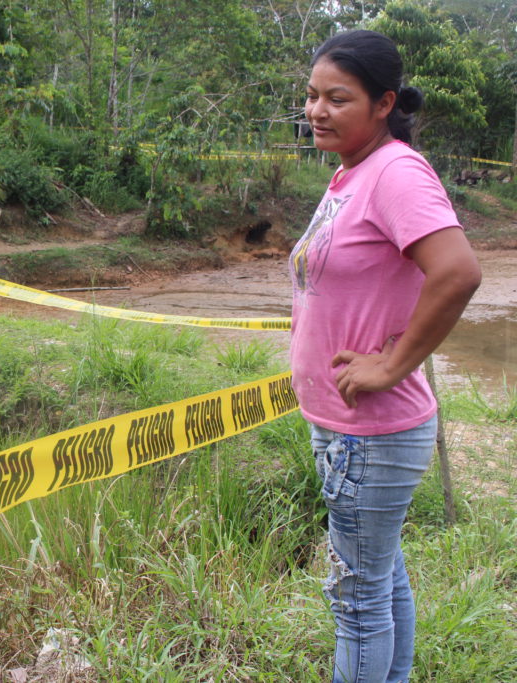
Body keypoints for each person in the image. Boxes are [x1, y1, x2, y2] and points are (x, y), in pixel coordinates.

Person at [289, 30, 482, 683]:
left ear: (383, 102)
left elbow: (456, 271)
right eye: (312, 95)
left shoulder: (395, 170)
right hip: (348, 429)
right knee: (378, 577)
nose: (317, 110)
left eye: (337, 98)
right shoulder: (352, 170)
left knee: (357, 600)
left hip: (369, 431)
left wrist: (391, 363)